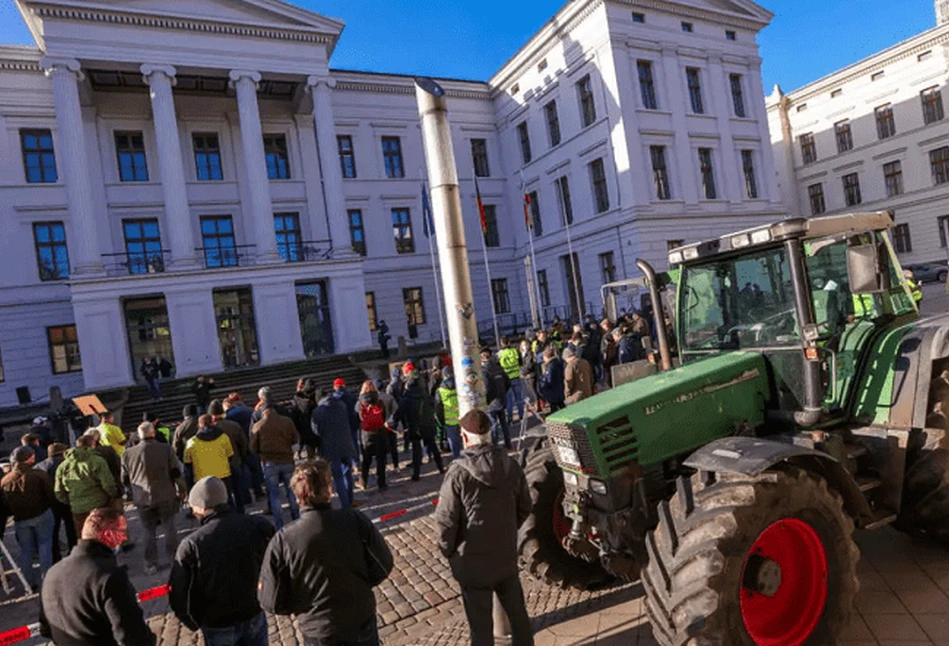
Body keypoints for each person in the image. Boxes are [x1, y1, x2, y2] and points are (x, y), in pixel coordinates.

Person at [258, 461, 394, 646]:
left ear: (297, 497)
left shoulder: (284, 540)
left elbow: (271, 600)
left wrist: (302, 604)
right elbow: (382, 564)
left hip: (320, 630)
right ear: (329, 490)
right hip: (358, 619)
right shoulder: (354, 521)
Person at [433, 410, 533, 646]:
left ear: (465, 438)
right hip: (505, 555)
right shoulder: (510, 464)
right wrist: (508, 530)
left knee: (480, 628)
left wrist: (448, 550)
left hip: (472, 563)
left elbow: (446, 520)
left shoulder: (458, 474)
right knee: (519, 617)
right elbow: (525, 506)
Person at [170, 477, 275, 646]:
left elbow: (179, 592)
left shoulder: (192, 544)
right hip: (253, 612)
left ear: (202, 508)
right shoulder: (257, 525)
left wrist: (192, 621)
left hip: (218, 623)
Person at [39, 508, 155, 646]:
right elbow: (132, 636)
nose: (124, 538)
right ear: (107, 535)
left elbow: (45, 629)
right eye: (121, 532)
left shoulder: (51, 573)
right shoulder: (109, 577)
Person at [122, 421, 185, 575]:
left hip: (142, 497)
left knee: (147, 530)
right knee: (169, 526)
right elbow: (175, 471)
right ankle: (173, 559)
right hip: (165, 493)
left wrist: (131, 492)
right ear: (153, 433)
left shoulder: (127, 454)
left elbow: (124, 478)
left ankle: (150, 563)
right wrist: (182, 488)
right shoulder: (165, 449)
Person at [1, 446, 55, 592]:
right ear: (29, 458)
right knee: (44, 546)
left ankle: (28, 582)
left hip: (20, 520)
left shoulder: (5, 480)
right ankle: (47, 579)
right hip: (41, 514)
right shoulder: (38, 475)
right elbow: (51, 494)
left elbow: (4, 505)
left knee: (26, 551)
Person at [55, 433, 119, 536]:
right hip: (99, 503)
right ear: (92, 444)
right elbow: (108, 484)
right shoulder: (97, 461)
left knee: (84, 535)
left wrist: (71, 501)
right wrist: (112, 495)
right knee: (102, 533)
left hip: (77, 509)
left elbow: (59, 491)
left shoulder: (63, 466)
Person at [251, 404, 299, 528]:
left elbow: (252, 448)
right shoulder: (287, 421)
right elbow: (295, 438)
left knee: (274, 494)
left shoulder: (258, 426)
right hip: (287, 459)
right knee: (291, 491)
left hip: (269, 462)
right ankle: (297, 518)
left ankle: (279, 524)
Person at [311, 387, 359, 509]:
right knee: (347, 473)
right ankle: (350, 498)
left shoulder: (317, 412)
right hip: (346, 444)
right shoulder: (341, 405)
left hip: (330, 447)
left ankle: (345, 504)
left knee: (338, 477)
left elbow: (316, 431)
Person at [398, 367, 444, 481]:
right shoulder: (425, 395)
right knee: (433, 446)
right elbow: (433, 406)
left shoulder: (407, 398)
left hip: (415, 427)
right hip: (428, 424)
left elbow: (400, 412)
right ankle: (441, 467)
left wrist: (391, 423)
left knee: (416, 450)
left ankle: (416, 474)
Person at [184, 414, 236, 509]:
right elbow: (230, 455)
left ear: (199, 425)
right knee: (227, 501)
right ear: (212, 423)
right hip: (223, 475)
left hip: (202, 478)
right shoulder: (223, 438)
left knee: (207, 505)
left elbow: (187, 462)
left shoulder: (191, 442)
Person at [35, 442, 76, 562]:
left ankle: (55, 556)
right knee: (71, 526)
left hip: (49, 502)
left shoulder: (39, 466)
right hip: (66, 499)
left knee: (53, 530)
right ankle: (73, 550)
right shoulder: (67, 464)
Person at [210, 399, 250, 509]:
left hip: (220, 463)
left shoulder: (211, 430)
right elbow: (243, 442)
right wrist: (242, 456)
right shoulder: (233, 425)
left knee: (226, 490)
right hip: (235, 460)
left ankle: (231, 510)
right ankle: (241, 509)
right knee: (238, 487)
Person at [355, 381, 390, 492]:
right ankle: (382, 483)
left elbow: (357, 418)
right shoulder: (379, 401)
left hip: (367, 434)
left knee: (366, 460)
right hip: (380, 432)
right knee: (381, 459)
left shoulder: (360, 403)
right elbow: (384, 416)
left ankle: (363, 482)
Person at [481, 348, 512, 448]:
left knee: (493, 424)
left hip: (492, 402)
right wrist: (502, 393)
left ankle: (495, 446)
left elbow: (487, 388)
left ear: (482, 357)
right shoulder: (499, 368)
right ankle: (508, 443)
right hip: (501, 399)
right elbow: (508, 382)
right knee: (503, 423)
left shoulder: (484, 371)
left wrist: (486, 400)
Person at [435, 368, 462, 459]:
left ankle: (456, 457)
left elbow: (438, 407)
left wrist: (440, 420)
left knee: (453, 440)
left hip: (449, 419)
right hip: (462, 417)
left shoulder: (440, 390)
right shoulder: (459, 385)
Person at [375, 378, 400, 472]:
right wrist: (392, 421)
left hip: (380, 426)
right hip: (390, 424)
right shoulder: (389, 397)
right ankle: (396, 465)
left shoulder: (374, 400)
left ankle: (384, 466)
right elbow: (396, 410)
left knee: (382, 447)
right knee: (393, 446)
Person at [498, 336, 524, 424]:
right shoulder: (515, 351)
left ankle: (510, 419)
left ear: (502, 344)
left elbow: (499, 367)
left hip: (507, 379)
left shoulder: (501, 354)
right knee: (519, 398)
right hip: (516, 376)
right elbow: (521, 362)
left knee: (509, 401)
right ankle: (522, 416)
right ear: (509, 342)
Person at [292, 378, 320, 460]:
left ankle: (312, 468)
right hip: (318, 428)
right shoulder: (317, 396)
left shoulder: (298, 398)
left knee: (310, 452)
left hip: (305, 429)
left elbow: (295, 414)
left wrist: (297, 428)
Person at [538, 347, 566, 413]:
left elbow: (549, 380)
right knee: (561, 405)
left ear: (546, 357)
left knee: (554, 407)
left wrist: (543, 380)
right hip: (559, 389)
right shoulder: (558, 362)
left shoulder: (551, 366)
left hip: (553, 391)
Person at [519, 339, 537, 404]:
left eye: (526, 344)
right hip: (525, 376)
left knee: (532, 391)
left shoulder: (530, 354)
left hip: (530, 375)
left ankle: (536, 404)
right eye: (523, 345)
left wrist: (522, 372)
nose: (525, 346)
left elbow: (529, 365)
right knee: (527, 392)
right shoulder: (520, 354)